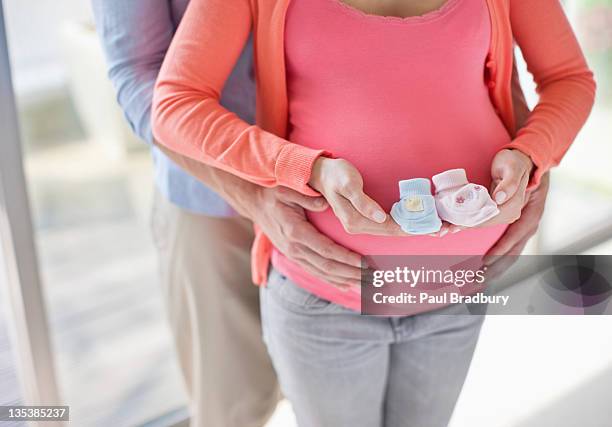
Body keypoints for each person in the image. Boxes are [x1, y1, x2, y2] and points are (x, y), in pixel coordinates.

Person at [151, 0, 595, 425]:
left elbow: (569, 78)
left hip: (454, 286)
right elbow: (174, 105)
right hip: (325, 301)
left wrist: (531, 154)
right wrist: (304, 168)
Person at [90, 1, 374, 426]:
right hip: (214, 202)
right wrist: (253, 197)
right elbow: (137, 74)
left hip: (345, 182)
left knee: (358, 394)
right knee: (234, 406)